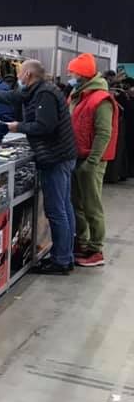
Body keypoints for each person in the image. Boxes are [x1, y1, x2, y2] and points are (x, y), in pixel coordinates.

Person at [0, 60, 77, 275]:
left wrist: (17, 126)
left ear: (27, 74)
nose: (17, 76)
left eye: (19, 72)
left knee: (57, 210)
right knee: (64, 207)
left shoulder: (44, 94)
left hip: (56, 158)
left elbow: (45, 126)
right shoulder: (35, 91)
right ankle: (65, 255)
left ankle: (61, 261)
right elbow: (6, 97)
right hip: (58, 156)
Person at [66, 53, 119, 268]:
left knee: (92, 206)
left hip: (90, 161)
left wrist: (92, 162)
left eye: (73, 72)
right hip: (77, 157)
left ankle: (96, 250)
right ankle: (83, 242)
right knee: (77, 204)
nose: (70, 76)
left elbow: (104, 133)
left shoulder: (101, 99)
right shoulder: (77, 95)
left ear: (83, 74)